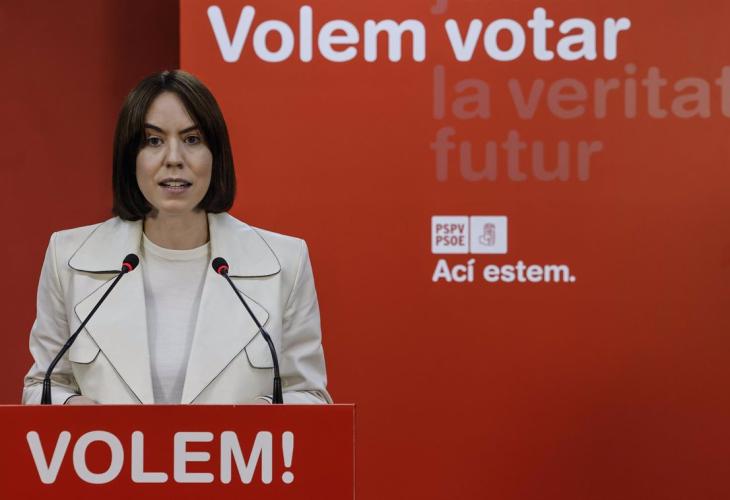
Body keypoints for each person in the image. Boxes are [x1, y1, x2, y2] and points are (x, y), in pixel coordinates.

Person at [22, 70, 331, 405]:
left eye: (192, 139)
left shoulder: (284, 263)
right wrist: (71, 408)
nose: (173, 159)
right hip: (106, 443)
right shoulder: (69, 258)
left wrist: (262, 419)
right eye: (153, 141)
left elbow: (309, 394)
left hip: (238, 443)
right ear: (130, 157)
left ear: (216, 154)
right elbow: (42, 385)